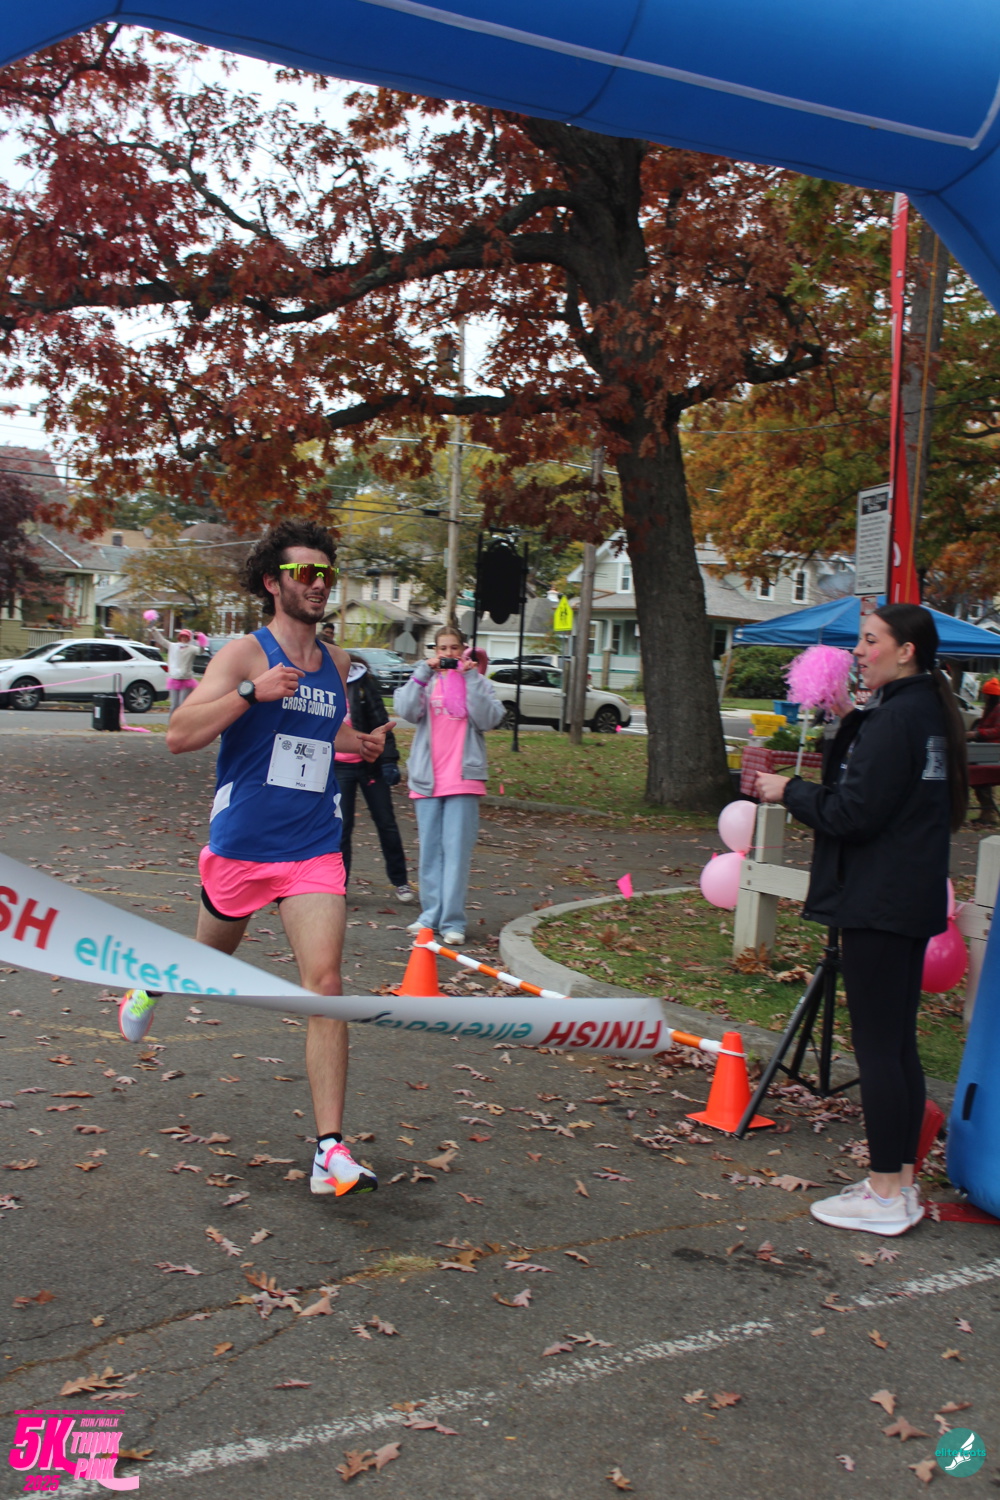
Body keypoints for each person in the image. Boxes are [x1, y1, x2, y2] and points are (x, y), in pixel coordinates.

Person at [119, 519, 395, 1199]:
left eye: (327, 573)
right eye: (305, 573)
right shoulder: (245, 654)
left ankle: (329, 1151)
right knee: (204, 963)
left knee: (325, 984)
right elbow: (179, 734)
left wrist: (358, 743)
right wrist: (250, 693)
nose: (319, 584)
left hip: (312, 847)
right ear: (274, 582)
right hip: (243, 846)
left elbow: (318, 730)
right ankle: (152, 985)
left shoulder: (336, 662)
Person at [756, 603, 968, 1237]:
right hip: (905, 897)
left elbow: (852, 813)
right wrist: (848, 717)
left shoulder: (899, 716)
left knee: (878, 1049)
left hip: (880, 900)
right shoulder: (922, 709)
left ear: (906, 651)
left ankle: (884, 1192)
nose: (858, 650)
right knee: (897, 1046)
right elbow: (880, 783)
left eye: (871, 640)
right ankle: (899, 1181)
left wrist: (789, 791)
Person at [393, 626, 504, 945]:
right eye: (443, 648)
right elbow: (406, 710)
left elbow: (489, 719)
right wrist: (421, 673)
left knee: (456, 853)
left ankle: (453, 921)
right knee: (430, 852)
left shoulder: (478, 682)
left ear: (463, 650)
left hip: (463, 779)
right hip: (427, 779)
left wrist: (470, 678)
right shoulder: (427, 682)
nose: (449, 654)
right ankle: (430, 916)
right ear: (435, 651)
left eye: (454, 648)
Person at [337, 652, 413, 902]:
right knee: (341, 827)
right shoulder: (325, 684)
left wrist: (389, 761)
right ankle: (339, 886)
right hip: (339, 767)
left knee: (386, 821)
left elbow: (381, 723)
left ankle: (401, 881)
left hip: (369, 764)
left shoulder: (363, 684)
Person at [966, 677, 1000, 826]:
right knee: (981, 785)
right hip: (985, 751)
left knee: (983, 783)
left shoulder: (998, 708)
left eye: (986, 695)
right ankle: (987, 815)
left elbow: (997, 730)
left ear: (991, 696)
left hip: (992, 752)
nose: (984, 697)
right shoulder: (990, 708)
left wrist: (977, 734)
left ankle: (989, 815)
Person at [149, 624, 199, 714]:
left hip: (186, 679)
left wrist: (201, 640)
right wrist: (154, 631)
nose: (184, 638)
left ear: (189, 638)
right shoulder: (173, 646)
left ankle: (181, 720)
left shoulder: (192, 648)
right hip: (174, 678)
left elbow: (201, 651)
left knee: (182, 704)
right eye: (182, 636)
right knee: (174, 705)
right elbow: (161, 640)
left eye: (186, 637)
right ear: (180, 637)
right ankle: (172, 721)